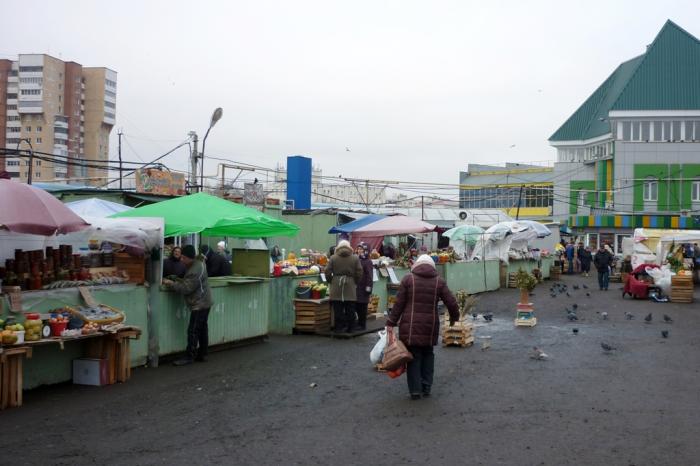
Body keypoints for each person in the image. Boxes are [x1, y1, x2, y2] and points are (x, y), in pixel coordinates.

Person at [387, 255, 460, 400]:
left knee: (413, 356)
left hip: (410, 326)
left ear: (417, 265)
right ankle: (426, 387)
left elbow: (399, 304)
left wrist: (391, 322)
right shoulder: (439, 281)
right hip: (430, 326)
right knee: (428, 354)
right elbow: (452, 303)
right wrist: (454, 318)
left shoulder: (409, 279)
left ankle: (415, 390)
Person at [162, 245, 213, 366]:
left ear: (189, 258)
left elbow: (186, 288)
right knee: (202, 329)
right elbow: (188, 282)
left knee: (193, 330)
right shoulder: (197, 264)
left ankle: (190, 356)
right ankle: (203, 354)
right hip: (205, 301)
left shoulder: (195, 270)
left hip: (199, 303)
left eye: (183, 258)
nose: (181, 260)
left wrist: (170, 283)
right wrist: (178, 279)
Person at [325, 240, 363, 334]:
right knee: (350, 308)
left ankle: (339, 328)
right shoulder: (355, 258)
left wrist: (331, 281)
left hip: (336, 285)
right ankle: (351, 328)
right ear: (349, 247)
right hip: (350, 284)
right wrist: (355, 282)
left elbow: (327, 271)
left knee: (337, 308)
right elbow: (359, 272)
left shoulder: (333, 258)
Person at [355, 242, 374, 331]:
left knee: (362, 307)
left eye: (361, 249)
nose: (359, 251)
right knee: (357, 306)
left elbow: (370, 276)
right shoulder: (357, 260)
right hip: (356, 287)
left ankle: (362, 325)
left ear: (366, 251)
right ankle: (358, 323)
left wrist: (368, 289)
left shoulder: (368, 262)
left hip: (363, 288)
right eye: (358, 249)